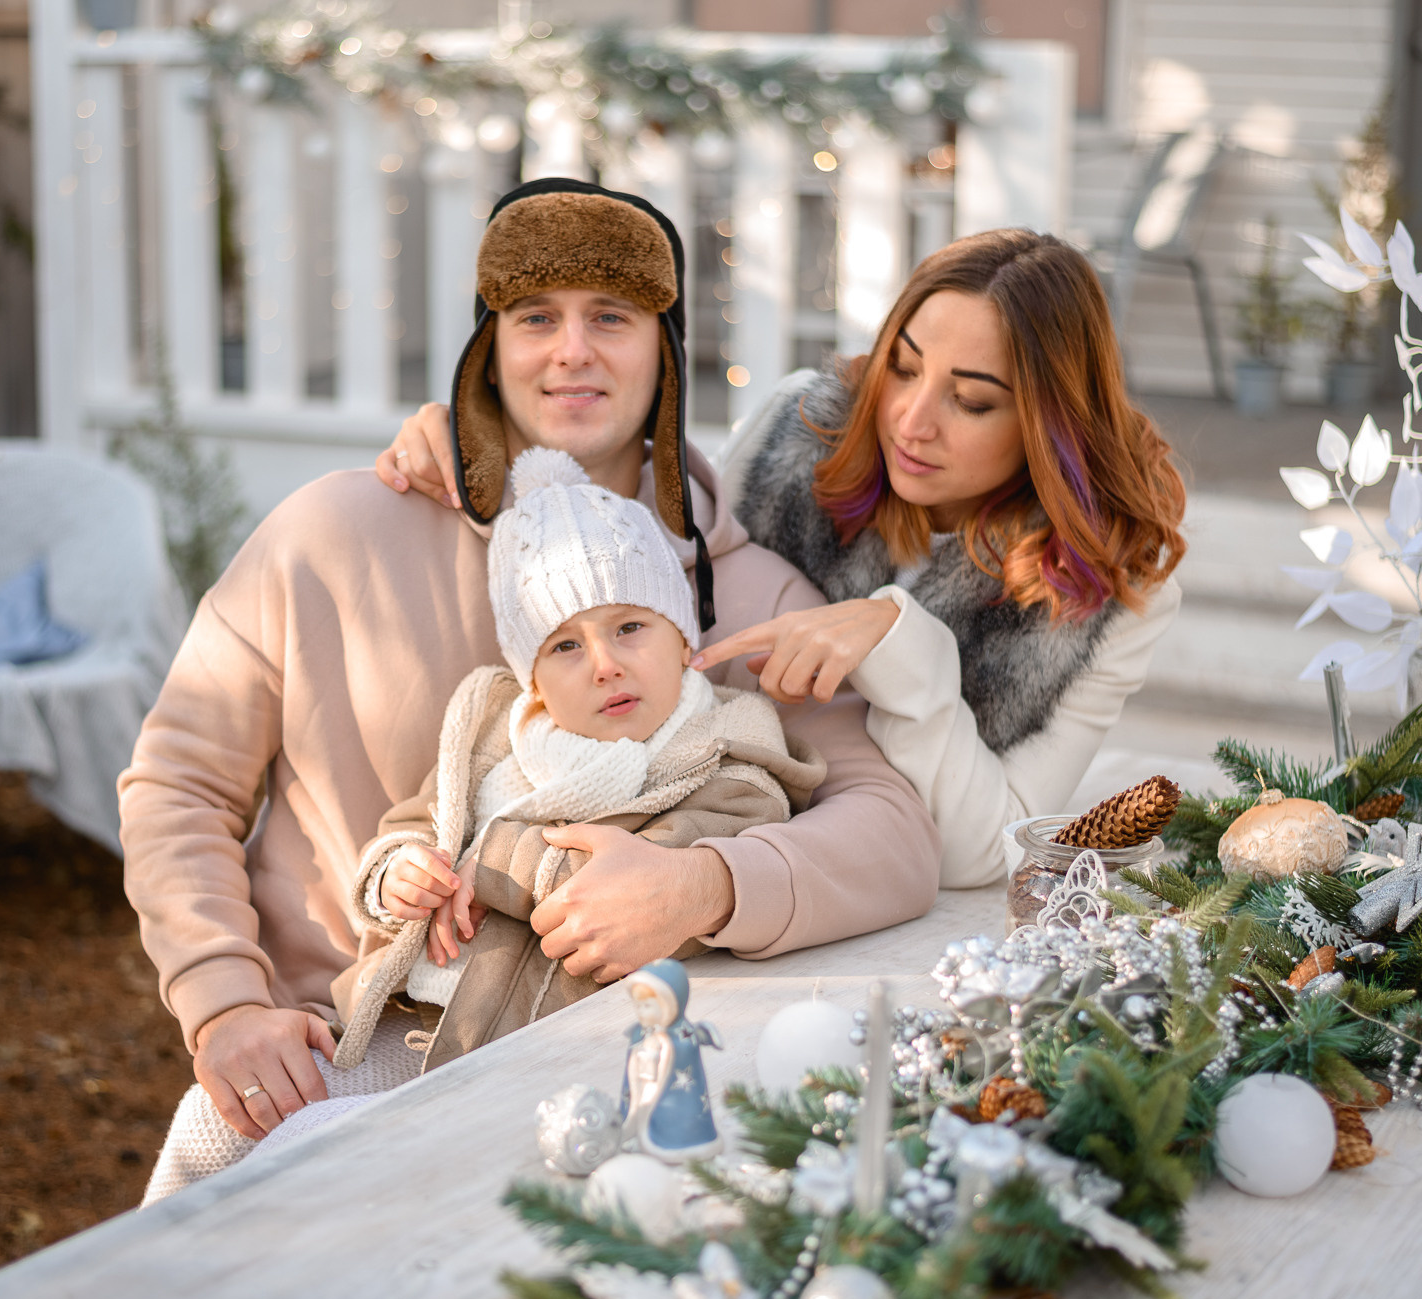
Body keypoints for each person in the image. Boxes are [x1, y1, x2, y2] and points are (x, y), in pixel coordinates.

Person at [119, 178, 940, 1175]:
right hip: (335, 1042)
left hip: (598, 1072)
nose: (573, 351)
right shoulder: (333, 534)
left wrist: (708, 884)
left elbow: (891, 830)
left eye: (613, 317)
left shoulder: (743, 590)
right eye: (535, 317)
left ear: (666, 351)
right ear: (488, 346)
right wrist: (226, 1001)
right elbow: (178, 781)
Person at [381, 229, 1187, 891]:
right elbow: (650, 550)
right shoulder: (800, 434)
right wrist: (483, 436)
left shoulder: (1115, 583)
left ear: (1049, 423)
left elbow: (988, 853)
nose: (909, 419)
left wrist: (899, 644)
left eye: (971, 400)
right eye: (902, 367)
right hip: (706, 840)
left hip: (870, 905)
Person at [336, 445, 823, 1070]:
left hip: (563, 1048)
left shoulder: (724, 750)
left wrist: (486, 863)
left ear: (682, 640)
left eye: (629, 629)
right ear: (532, 680)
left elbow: (662, 876)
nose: (604, 665)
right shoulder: (494, 736)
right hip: (411, 1016)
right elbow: (411, 826)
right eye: (565, 646)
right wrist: (400, 874)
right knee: (234, 1135)